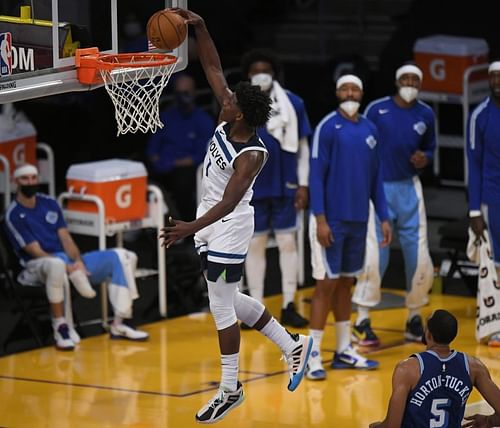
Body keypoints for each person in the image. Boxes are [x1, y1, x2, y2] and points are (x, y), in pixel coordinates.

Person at [159, 8, 312, 424]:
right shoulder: (231, 114)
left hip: (228, 226)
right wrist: (202, 28)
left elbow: (228, 203)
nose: (223, 100)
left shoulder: (253, 154)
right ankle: (293, 345)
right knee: (228, 299)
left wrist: (190, 226)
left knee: (221, 308)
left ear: (240, 113)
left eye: (230, 102)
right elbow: (211, 65)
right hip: (210, 223)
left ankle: (230, 388)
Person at [4, 164, 149, 351]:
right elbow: (34, 250)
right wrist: (67, 266)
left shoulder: (49, 203)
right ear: (16, 182)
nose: (31, 182)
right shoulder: (13, 214)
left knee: (123, 256)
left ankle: (121, 322)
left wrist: (78, 262)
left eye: (33, 178)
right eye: (25, 179)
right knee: (56, 264)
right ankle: (61, 328)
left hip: (67, 261)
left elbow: (66, 238)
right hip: (35, 267)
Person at [305, 74, 392, 380]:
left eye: (355, 87)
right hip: (331, 220)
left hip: (359, 219)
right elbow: (315, 176)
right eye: (345, 88)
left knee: (345, 284)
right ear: (337, 92)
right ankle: (311, 355)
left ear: (363, 91)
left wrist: (383, 217)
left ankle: (343, 349)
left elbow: (376, 178)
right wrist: (320, 219)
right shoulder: (328, 127)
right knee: (325, 284)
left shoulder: (370, 128)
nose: (350, 92)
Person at [352, 63, 436, 347]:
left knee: (419, 255)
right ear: (397, 82)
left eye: (415, 79)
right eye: (406, 78)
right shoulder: (377, 109)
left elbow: (431, 147)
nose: (410, 82)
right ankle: (362, 318)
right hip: (380, 189)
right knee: (377, 255)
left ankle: (414, 317)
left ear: (420, 84)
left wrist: (426, 156)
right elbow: (362, 141)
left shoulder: (426, 113)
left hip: (410, 188)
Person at [240, 49, 311, 328]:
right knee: (255, 244)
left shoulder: (293, 103)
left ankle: (289, 304)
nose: (261, 75)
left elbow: (303, 147)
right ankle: (255, 308)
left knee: (287, 243)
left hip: (286, 184)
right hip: (253, 186)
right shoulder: (238, 105)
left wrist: (303, 184)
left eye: (266, 70)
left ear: (274, 73)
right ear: (248, 75)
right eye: (256, 70)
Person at [369, 309, 500, 428]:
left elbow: (392, 426)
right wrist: (489, 421)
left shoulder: (407, 369)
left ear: (428, 335)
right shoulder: (474, 367)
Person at [146, 73, 215, 221]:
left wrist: (174, 163)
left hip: (187, 167)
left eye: (186, 93)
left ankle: (185, 223)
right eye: (178, 93)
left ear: (194, 93)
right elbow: (153, 148)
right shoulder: (165, 116)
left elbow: (201, 156)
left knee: (182, 183)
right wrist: (157, 161)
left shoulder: (204, 121)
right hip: (163, 164)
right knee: (142, 175)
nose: (182, 97)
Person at [467, 60, 500, 347]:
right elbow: (474, 165)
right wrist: (474, 209)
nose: (497, 81)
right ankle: (496, 324)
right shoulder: (480, 116)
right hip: (492, 199)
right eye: (493, 77)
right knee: (496, 264)